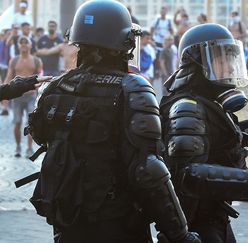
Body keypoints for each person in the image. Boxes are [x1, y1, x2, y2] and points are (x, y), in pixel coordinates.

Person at [24, 1, 200, 242]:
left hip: (67, 219)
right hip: (118, 223)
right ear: (122, 45)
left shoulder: (56, 86)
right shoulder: (133, 87)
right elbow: (148, 170)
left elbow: (42, 135)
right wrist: (179, 233)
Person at [160, 23, 248, 243]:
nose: (230, 67)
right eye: (222, 59)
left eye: (232, 59)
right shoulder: (187, 107)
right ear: (199, 63)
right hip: (196, 224)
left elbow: (219, 150)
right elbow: (186, 175)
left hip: (214, 218)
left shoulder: (211, 104)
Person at [3, 36, 41, 158]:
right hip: (17, 98)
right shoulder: (14, 61)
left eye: (26, 42)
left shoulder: (36, 60)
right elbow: (9, 77)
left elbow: (40, 76)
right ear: (18, 46)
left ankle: (29, 148)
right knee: (17, 122)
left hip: (31, 96)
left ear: (30, 45)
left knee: (30, 123)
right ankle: (18, 146)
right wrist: (4, 97)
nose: (24, 45)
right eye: (21, 43)